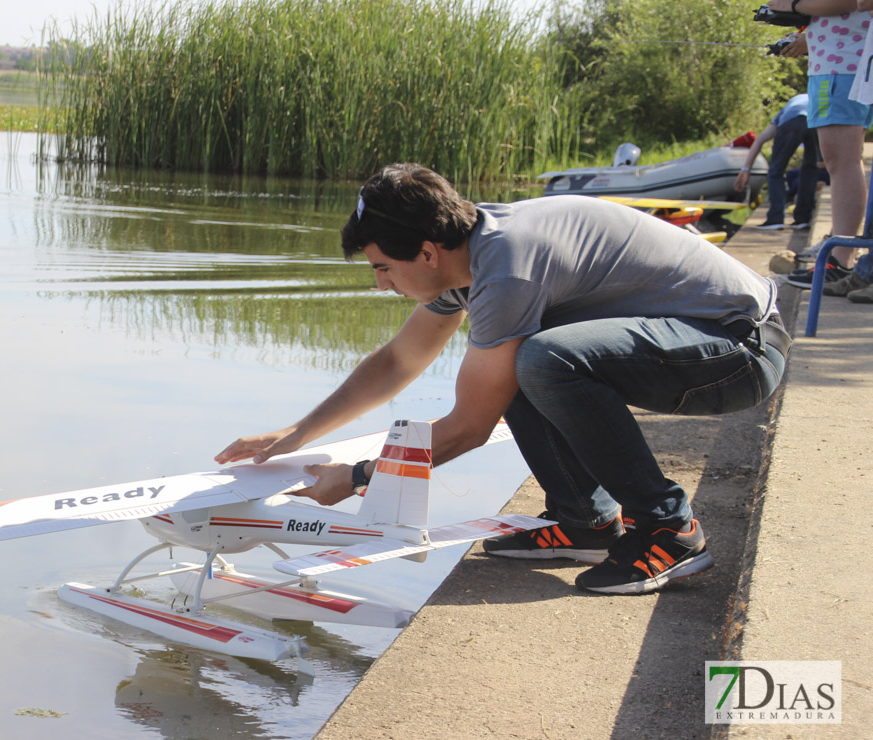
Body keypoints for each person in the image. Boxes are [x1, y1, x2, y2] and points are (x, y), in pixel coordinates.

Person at [216, 164, 792, 595]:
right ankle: (585, 521)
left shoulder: (508, 266)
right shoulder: (467, 250)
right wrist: (292, 436)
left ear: (424, 252)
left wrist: (359, 477)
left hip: (738, 350)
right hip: (701, 339)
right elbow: (398, 362)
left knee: (542, 360)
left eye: (382, 269)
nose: (380, 285)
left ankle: (671, 530)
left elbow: (469, 426)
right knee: (526, 357)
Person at [768, 0, 873, 277]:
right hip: (843, 63)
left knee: (842, 162)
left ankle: (839, 262)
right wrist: (809, 38)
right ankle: (841, 257)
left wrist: (791, 5)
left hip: (841, 67)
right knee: (845, 162)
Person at [735, 93, 819, 230]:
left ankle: (775, 218)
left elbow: (761, 139)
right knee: (810, 169)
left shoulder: (788, 109)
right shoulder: (816, 97)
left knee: (776, 170)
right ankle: (803, 218)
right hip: (816, 121)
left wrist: (745, 169)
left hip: (793, 121)